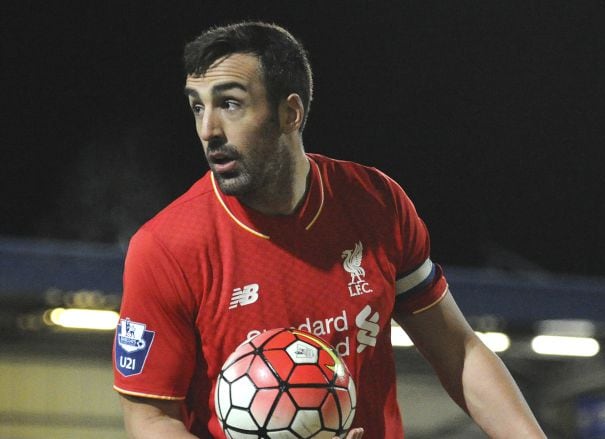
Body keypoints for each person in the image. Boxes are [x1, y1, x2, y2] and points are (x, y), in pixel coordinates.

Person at [112, 21, 546, 438]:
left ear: (290, 113)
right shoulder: (166, 247)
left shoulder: (375, 203)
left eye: (230, 103)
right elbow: (150, 419)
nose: (208, 130)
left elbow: (458, 351)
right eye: (197, 106)